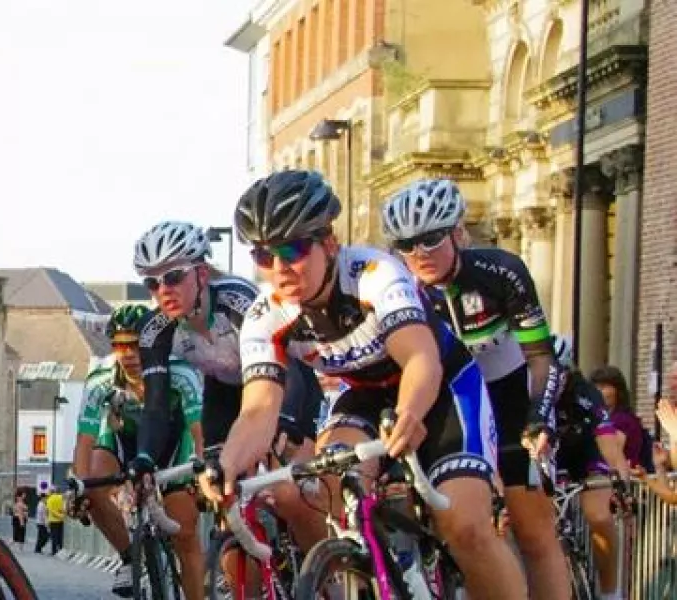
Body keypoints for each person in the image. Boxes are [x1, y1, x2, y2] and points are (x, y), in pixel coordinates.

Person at [204, 169, 527, 599]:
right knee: (330, 482)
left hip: (442, 386)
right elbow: (259, 408)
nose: (280, 269)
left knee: (464, 527)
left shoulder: (374, 273)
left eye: (294, 249)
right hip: (366, 396)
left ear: (329, 242)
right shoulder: (266, 316)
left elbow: (419, 358)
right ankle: (371, 569)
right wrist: (225, 465)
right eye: (264, 256)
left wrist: (410, 414)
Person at [379, 178, 570, 598]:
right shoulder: (400, 293)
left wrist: (539, 416)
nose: (419, 254)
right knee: (456, 529)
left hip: (511, 398)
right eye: (407, 245)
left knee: (533, 529)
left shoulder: (500, 272)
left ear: (458, 232)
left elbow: (541, 357)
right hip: (452, 404)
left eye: (431, 239)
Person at [129, 220, 328, 559]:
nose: (164, 290)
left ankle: (328, 572)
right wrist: (145, 458)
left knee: (290, 490)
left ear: (202, 274)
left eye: (174, 277)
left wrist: (286, 421)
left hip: (284, 383)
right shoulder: (154, 331)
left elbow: (286, 364)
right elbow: (156, 406)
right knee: (226, 494)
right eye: (152, 282)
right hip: (224, 396)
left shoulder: (237, 300)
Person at [68, 304, 204, 598]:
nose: (128, 354)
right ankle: (130, 558)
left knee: (186, 534)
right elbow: (85, 440)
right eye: (119, 345)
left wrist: (202, 470)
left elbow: (197, 429)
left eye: (134, 344)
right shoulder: (101, 378)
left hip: (172, 446)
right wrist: (78, 487)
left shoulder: (179, 371)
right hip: (125, 442)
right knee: (89, 481)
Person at [546, 335, 633, 599]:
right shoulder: (522, 390)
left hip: (584, 452)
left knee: (599, 515)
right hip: (546, 453)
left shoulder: (585, 393)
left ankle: (610, 592)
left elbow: (609, 445)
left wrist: (622, 486)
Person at [589, 365, 650, 475]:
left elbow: (610, 454)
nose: (597, 392)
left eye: (602, 387)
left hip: (620, 481)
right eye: (594, 388)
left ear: (617, 390)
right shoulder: (598, 418)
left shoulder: (623, 420)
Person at [44, 485, 66, 555]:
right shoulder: (61, 498)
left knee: (54, 536)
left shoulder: (49, 499)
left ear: (51, 491)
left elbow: (49, 511)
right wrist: (62, 516)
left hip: (53, 520)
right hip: (61, 520)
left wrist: (47, 520)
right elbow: (63, 508)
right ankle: (60, 549)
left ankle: (54, 551)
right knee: (60, 536)